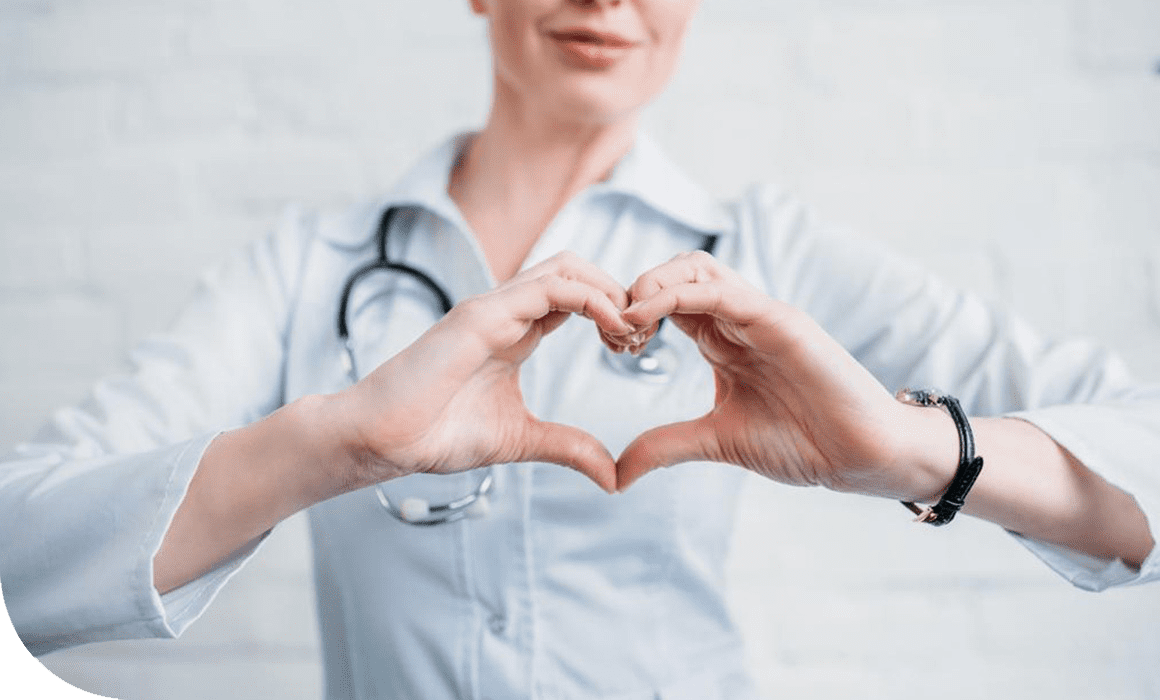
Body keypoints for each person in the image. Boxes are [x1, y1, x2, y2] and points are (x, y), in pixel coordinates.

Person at [2, 0, 1157, 697]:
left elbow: (1143, 465)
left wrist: (915, 451)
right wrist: (339, 442)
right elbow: (23, 548)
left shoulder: (767, 255)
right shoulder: (308, 266)